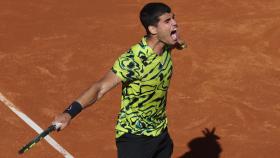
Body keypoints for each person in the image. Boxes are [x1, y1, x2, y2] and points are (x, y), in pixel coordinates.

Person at [52, 2, 185, 158]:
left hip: (161, 133)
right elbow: (100, 87)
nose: (174, 23)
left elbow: (176, 42)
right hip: (135, 138)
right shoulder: (133, 60)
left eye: (173, 18)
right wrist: (69, 113)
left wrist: (178, 43)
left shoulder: (166, 45)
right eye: (167, 21)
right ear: (153, 29)